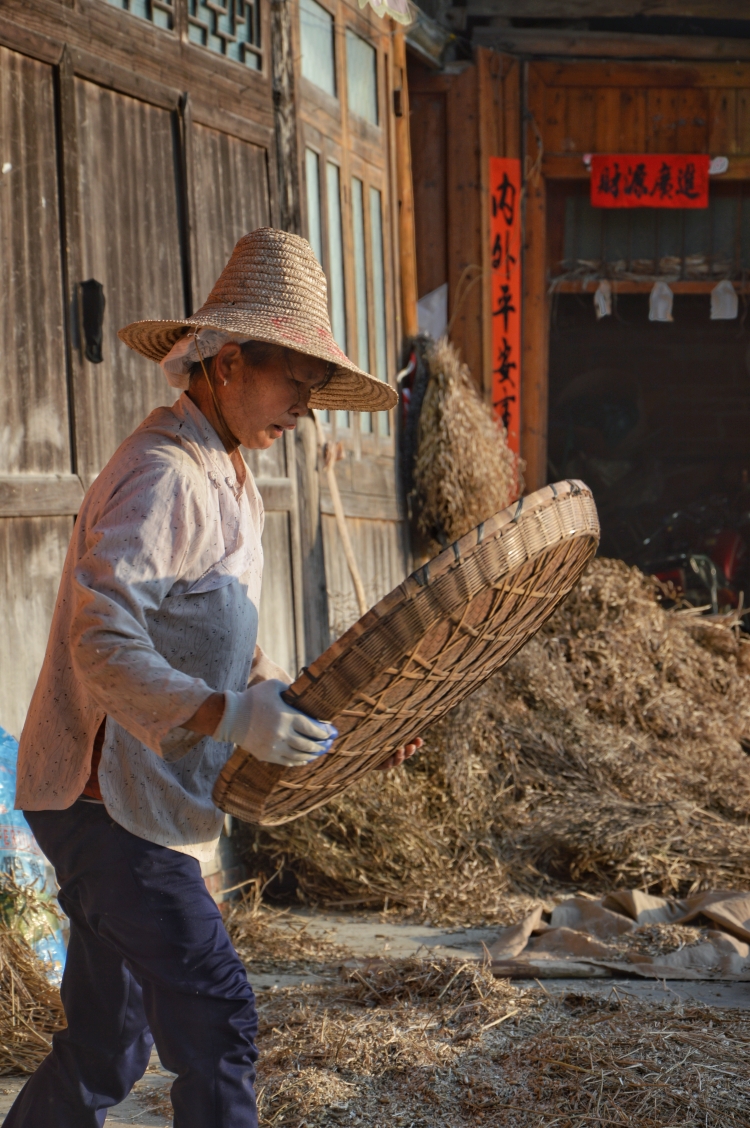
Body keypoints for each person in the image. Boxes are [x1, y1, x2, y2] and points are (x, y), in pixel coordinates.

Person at [9, 228, 422, 1128]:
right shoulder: (165, 477)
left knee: (108, 1045)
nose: (305, 410)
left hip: (141, 800)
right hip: (99, 799)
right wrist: (225, 713)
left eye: (315, 392)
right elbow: (99, 638)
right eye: (295, 384)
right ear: (228, 363)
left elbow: (230, 647)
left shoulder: (229, 474)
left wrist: (324, 724)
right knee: (219, 1020)